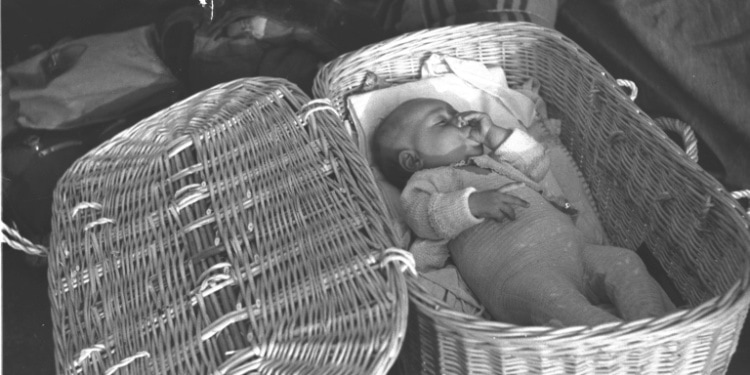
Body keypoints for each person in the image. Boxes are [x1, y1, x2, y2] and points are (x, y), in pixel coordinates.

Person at [372, 97, 675, 326]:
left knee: (625, 260)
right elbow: (422, 216)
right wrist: (471, 204)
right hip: (520, 277)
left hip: (575, 253)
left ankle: (654, 328)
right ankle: (621, 348)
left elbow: (538, 165)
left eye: (456, 114)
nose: (460, 121)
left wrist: (496, 136)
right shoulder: (429, 181)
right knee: (556, 303)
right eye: (442, 122)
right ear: (412, 161)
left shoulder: (493, 161)